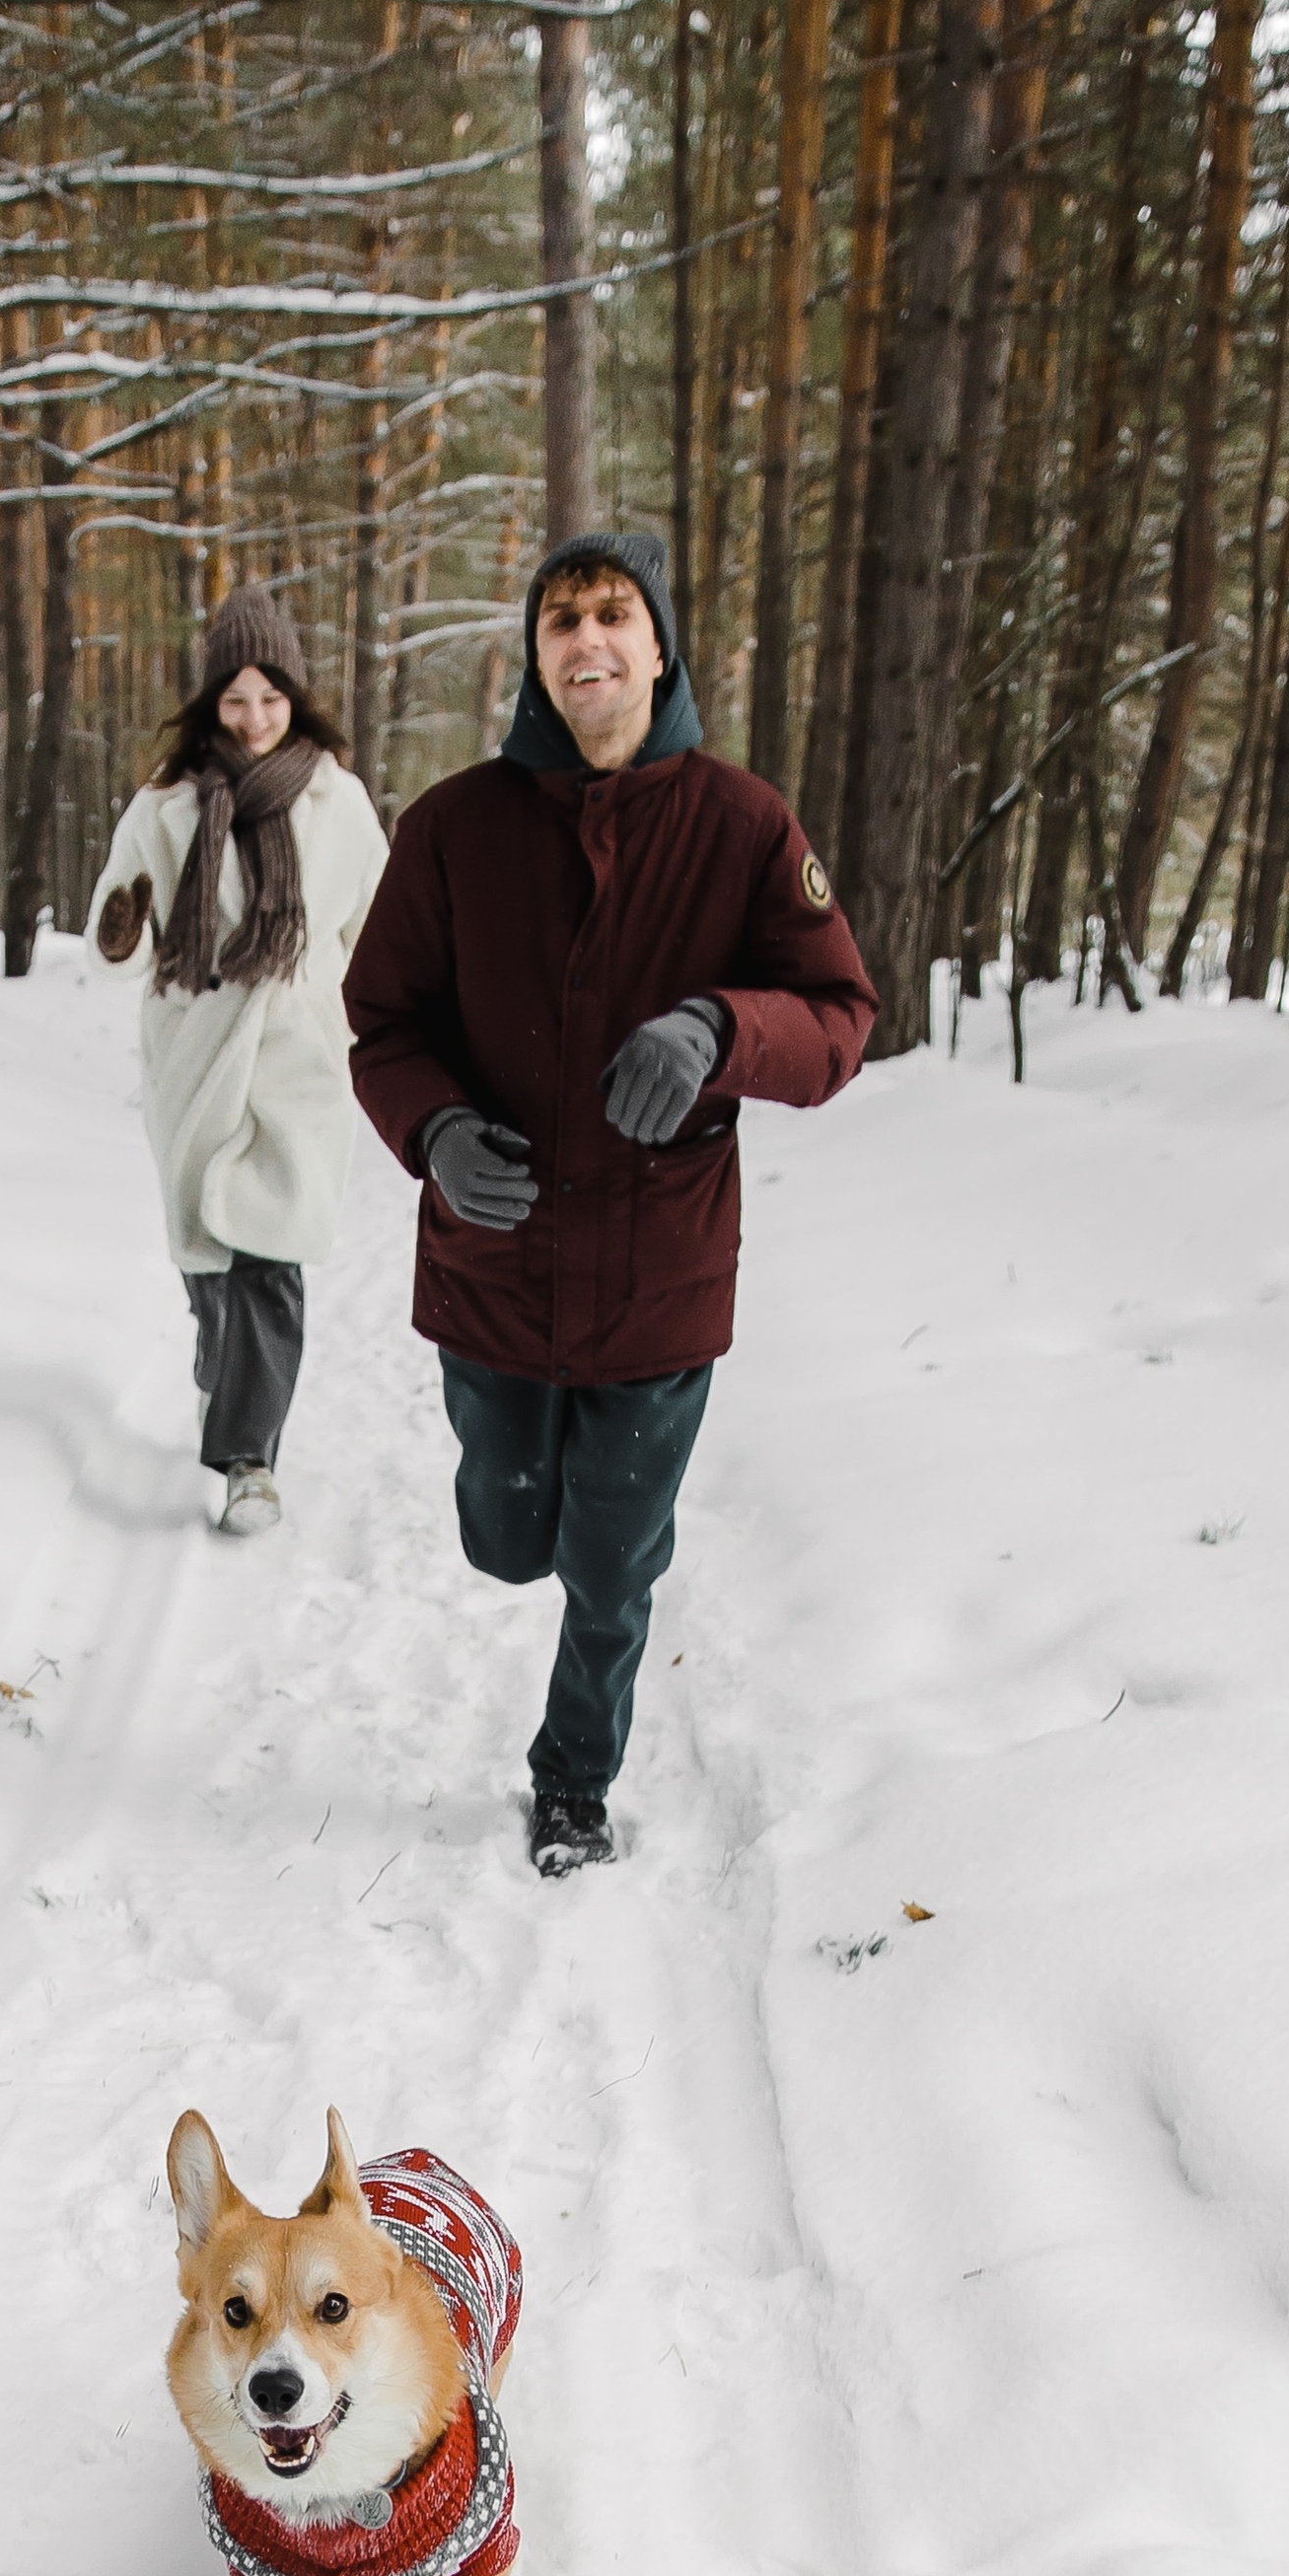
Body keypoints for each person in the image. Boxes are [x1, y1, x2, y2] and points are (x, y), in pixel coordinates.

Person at [343, 530, 875, 1872]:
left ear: (659, 645)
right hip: (497, 1268)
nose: (587, 640)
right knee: (510, 1537)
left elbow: (838, 1017)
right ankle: (525, 1519)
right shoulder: (452, 830)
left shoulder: (746, 827)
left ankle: (573, 1777)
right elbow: (382, 1022)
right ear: (536, 657)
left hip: (659, 1279)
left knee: (611, 1564)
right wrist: (439, 1127)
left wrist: (716, 1029)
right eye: (562, 619)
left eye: (614, 615)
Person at [87, 583, 391, 1535]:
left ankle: (250, 1462)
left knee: (274, 1255)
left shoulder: (338, 801)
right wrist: (124, 923)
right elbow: (122, 929)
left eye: (271, 697)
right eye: (235, 700)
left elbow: (376, 926)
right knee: (212, 1268)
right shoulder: (167, 805)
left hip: (298, 1053)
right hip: (195, 1051)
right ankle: (226, 1377)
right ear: (210, 703)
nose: (255, 719)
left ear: (295, 696)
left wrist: (370, 1018)